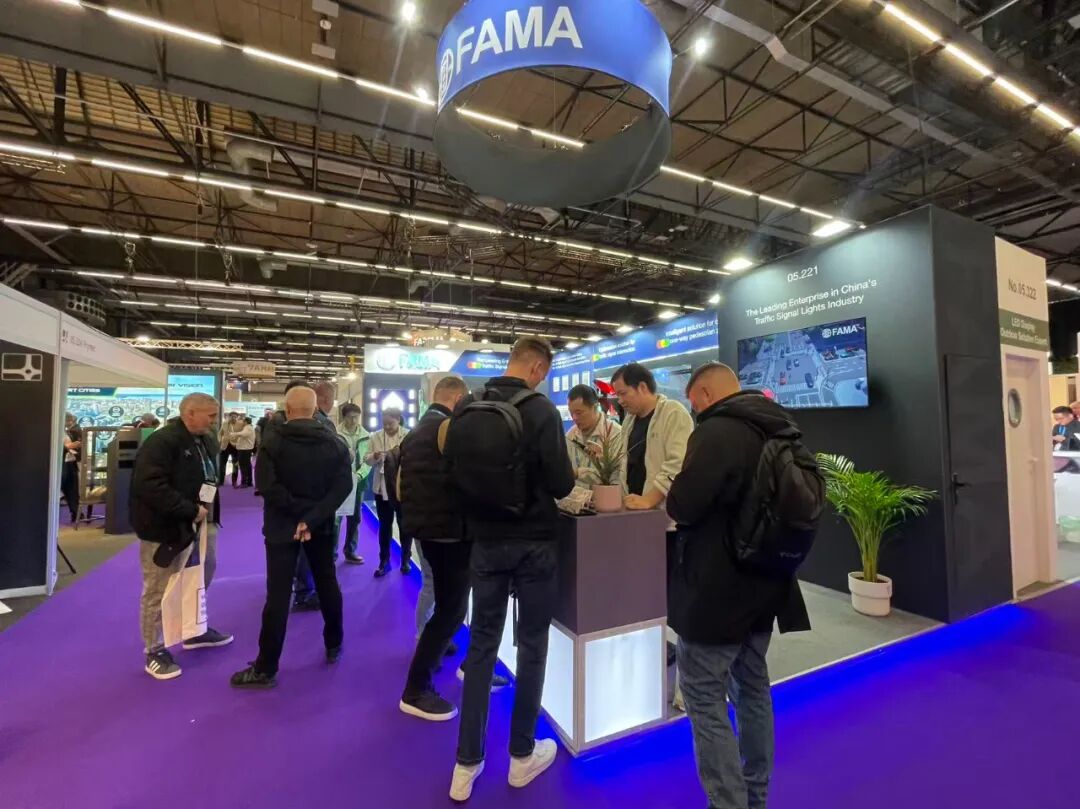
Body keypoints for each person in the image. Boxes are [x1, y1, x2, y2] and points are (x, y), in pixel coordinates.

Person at [667, 363, 810, 809]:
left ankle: (728, 803)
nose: (693, 409)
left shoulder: (716, 432)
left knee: (703, 694)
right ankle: (755, 795)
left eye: (694, 400)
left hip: (717, 590)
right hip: (768, 584)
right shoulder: (783, 428)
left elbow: (684, 504)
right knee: (752, 686)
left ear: (707, 393)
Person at [447, 336, 575, 802]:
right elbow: (562, 483)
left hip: (485, 541)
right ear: (538, 368)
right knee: (533, 646)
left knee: (482, 647)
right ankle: (521, 756)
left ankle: (465, 765)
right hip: (534, 543)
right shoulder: (541, 410)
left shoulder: (468, 406)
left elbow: (451, 472)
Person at [231, 386, 353, 689]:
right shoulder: (334, 443)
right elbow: (342, 487)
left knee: (278, 595)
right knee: (327, 583)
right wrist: (311, 517)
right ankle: (334, 643)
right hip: (320, 526)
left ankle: (266, 668)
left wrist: (298, 516)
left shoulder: (273, 442)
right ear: (315, 408)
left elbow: (267, 486)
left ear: (287, 409)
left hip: (282, 526)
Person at [129, 392, 232, 681]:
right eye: (210, 416)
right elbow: (149, 485)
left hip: (200, 523)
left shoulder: (204, 440)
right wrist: (189, 509)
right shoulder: (162, 442)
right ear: (190, 414)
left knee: (198, 576)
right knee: (158, 588)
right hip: (165, 528)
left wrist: (203, 512)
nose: (215, 421)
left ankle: (193, 629)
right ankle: (154, 649)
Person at [397, 376, 470, 720]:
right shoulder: (448, 429)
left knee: (446, 603)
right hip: (449, 532)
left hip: (426, 530)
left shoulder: (416, 432)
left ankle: (441, 649)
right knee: (452, 609)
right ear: (457, 398)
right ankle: (416, 689)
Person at [611, 362, 694, 511]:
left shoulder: (673, 412)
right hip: (633, 508)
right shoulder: (629, 421)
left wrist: (649, 500)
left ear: (642, 387)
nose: (620, 400)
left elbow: (678, 464)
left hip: (663, 513)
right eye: (618, 395)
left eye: (623, 393)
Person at [365, 407, 411, 578]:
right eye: (384, 424)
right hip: (381, 487)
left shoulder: (408, 435)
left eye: (390, 423)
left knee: (404, 526)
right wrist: (375, 457)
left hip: (401, 488)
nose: (387, 427)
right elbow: (366, 459)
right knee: (384, 526)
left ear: (398, 420)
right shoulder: (375, 436)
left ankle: (405, 560)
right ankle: (384, 561)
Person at [565, 383, 622, 484]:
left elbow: (617, 476)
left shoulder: (615, 433)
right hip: (576, 493)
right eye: (571, 413)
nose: (574, 418)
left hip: (605, 493)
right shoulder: (570, 435)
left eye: (579, 413)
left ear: (595, 407)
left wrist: (580, 473)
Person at [337, 402, 371, 565]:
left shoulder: (366, 436)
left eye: (356, 417)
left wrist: (359, 475)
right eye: (350, 417)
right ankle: (331, 554)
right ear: (343, 417)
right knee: (336, 519)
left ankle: (350, 551)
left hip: (358, 482)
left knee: (355, 517)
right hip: (338, 482)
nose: (354, 420)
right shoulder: (335, 434)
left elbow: (368, 460)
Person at [61, 413, 82, 525]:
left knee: (73, 489)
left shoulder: (66, 432)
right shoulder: (56, 431)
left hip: (70, 462)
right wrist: (68, 447)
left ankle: (76, 513)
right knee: (65, 488)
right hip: (61, 464)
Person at [218, 413, 242, 487]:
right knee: (222, 465)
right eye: (231, 416)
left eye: (235, 417)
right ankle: (221, 481)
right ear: (229, 417)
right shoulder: (225, 423)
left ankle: (234, 482)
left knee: (235, 465)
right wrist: (220, 441)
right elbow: (220, 433)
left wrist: (238, 442)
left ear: (237, 417)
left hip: (235, 447)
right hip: (225, 446)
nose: (233, 418)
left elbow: (241, 435)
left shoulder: (240, 424)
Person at [232, 416, 256, 488]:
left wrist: (234, 434)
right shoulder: (248, 428)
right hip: (245, 449)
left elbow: (243, 434)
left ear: (245, 422)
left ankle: (244, 483)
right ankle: (249, 482)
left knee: (243, 466)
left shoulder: (248, 428)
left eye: (243, 421)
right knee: (247, 465)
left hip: (244, 450)